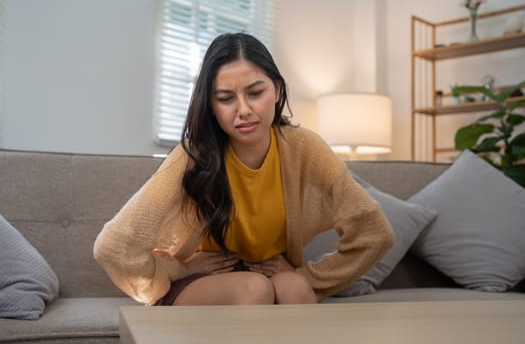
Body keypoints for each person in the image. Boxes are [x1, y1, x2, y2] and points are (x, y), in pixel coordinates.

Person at [93, 32, 394, 306]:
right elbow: (114, 246)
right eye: (226, 99)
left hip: (267, 276)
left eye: (255, 93)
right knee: (253, 289)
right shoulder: (192, 155)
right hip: (197, 284)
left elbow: (375, 233)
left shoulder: (305, 147)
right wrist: (177, 268)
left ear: (276, 90)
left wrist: (310, 274)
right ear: (211, 105)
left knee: (295, 287)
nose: (244, 110)